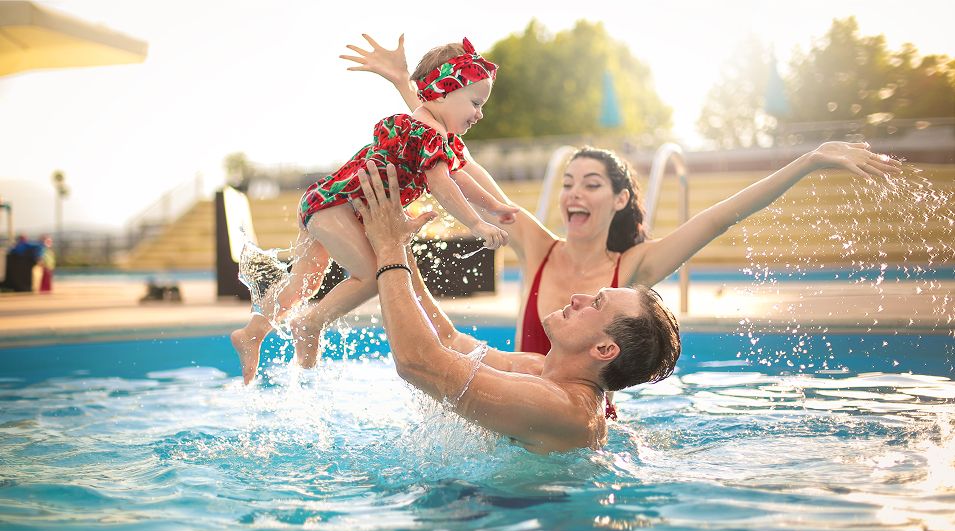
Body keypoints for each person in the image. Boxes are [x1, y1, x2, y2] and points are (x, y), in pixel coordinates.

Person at [342, 33, 904, 353]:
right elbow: (446, 149)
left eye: (591, 184)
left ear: (618, 199)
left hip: (573, 431)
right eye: (567, 184)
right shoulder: (536, 246)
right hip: (508, 412)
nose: (573, 195)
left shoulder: (632, 270)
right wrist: (405, 84)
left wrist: (807, 162)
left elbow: (719, 217)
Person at [232, 37, 518, 385]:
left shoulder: (436, 135)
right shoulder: (425, 133)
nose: (480, 113)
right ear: (442, 93)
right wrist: (476, 223)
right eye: (475, 102)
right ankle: (309, 324)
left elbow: (460, 176)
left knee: (304, 283)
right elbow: (444, 186)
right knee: (372, 276)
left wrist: (496, 206)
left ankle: (253, 331)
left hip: (325, 203)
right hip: (337, 206)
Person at [353, 160, 681, 453]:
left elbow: (419, 364)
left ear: (605, 348)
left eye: (596, 303)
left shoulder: (561, 408)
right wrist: (400, 244)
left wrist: (389, 249)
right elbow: (447, 342)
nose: (577, 298)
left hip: (513, 514)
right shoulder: (540, 370)